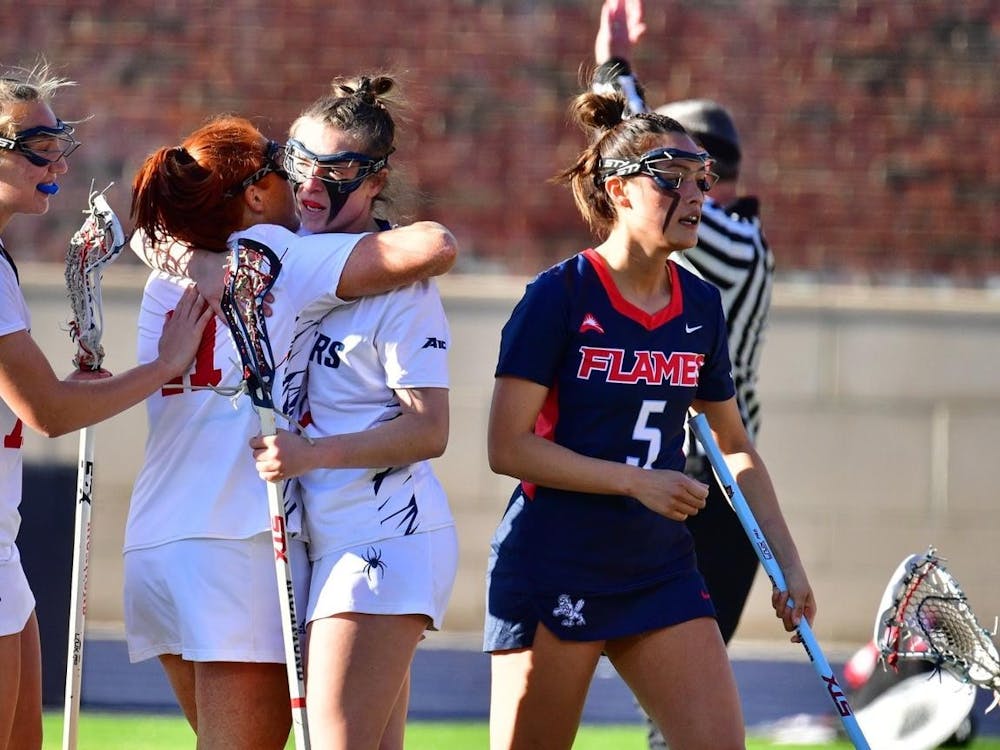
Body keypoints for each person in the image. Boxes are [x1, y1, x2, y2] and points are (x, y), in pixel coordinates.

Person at [482, 84, 814, 750]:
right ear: (619, 189)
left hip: (657, 565)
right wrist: (635, 481)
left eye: (705, 178)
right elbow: (507, 447)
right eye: (674, 178)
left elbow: (735, 445)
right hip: (556, 559)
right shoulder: (558, 296)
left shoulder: (702, 306)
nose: (697, 194)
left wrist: (788, 562)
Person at [126, 109, 457, 749]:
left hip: (158, 544)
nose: (303, 185)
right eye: (288, 168)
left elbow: (147, 233)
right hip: (235, 539)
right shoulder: (283, 253)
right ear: (253, 194)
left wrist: (178, 246)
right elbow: (435, 246)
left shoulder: (165, 265)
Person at [0, 66, 210, 750]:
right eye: (35, 144)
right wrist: (163, 369)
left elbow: (40, 399)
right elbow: (48, 414)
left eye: (56, 139)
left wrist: (86, 385)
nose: (56, 158)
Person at [247, 74, 458, 750]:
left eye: (334, 170)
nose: (309, 185)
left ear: (374, 181)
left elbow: (430, 429)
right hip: (324, 534)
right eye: (299, 162)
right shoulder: (298, 255)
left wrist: (312, 455)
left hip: (384, 535)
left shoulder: (402, 287)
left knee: (327, 742)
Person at [593, 2, 776, 746]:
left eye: (683, 174)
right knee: (666, 713)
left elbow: (635, 145)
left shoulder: (734, 248)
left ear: (710, 178)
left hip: (717, 501)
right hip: (669, 484)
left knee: (684, 716)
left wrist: (615, 70)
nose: (675, 192)